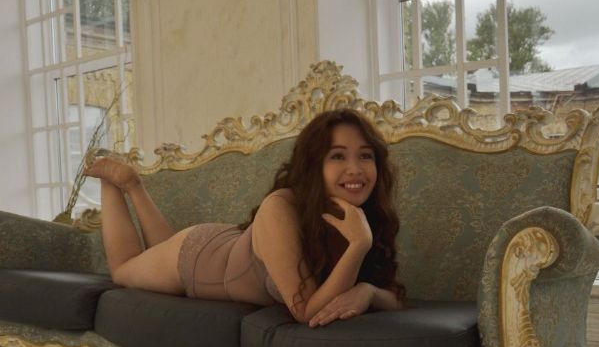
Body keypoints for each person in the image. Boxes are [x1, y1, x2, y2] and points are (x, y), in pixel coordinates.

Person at [84, 109, 404, 328]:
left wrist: (368, 291)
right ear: (313, 165)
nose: (355, 169)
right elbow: (307, 312)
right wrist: (359, 244)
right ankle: (116, 183)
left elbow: (394, 297)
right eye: (337, 156)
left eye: (365, 156)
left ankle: (134, 187)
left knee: (158, 248)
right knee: (123, 270)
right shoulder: (281, 207)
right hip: (198, 259)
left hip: (233, 247)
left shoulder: (367, 214)